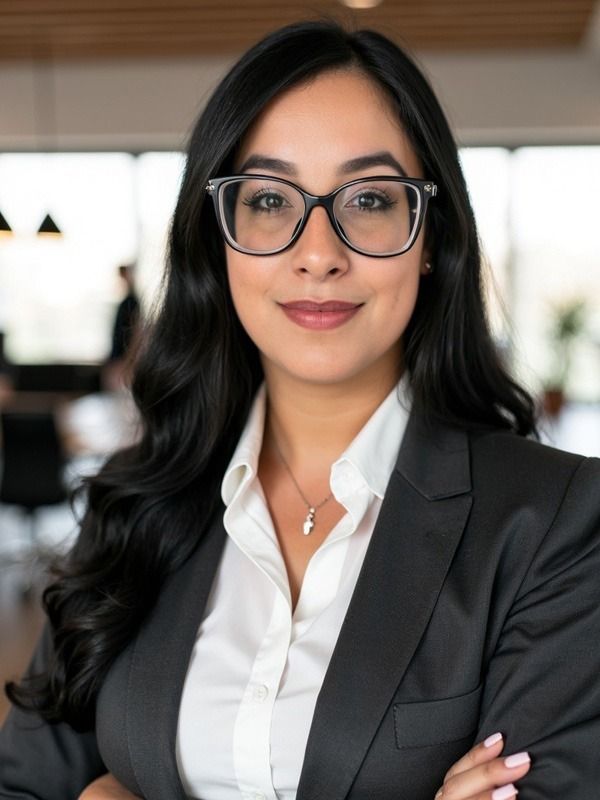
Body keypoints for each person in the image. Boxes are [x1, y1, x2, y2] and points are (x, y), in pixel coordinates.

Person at [1, 20, 599, 800]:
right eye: (271, 200)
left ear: (430, 235)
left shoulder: (553, 522)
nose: (318, 252)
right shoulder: (137, 501)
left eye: (373, 198)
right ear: (218, 238)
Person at [103, 264, 140, 391]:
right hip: (118, 355)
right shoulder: (126, 301)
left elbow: (136, 331)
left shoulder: (132, 302)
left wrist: (128, 358)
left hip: (122, 357)